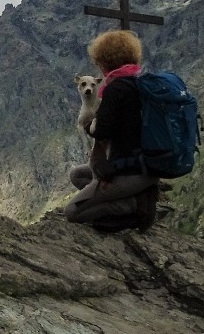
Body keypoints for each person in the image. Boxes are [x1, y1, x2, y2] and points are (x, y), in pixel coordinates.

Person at [64, 29, 161, 232]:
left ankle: (131, 206)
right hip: (149, 166)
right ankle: (135, 195)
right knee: (77, 175)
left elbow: (101, 131)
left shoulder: (114, 90)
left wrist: (88, 125)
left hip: (128, 170)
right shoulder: (142, 84)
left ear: (103, 62)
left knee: (73, 212)